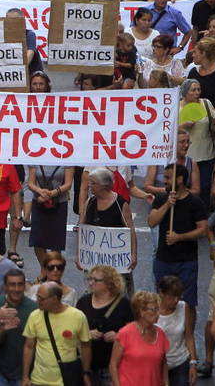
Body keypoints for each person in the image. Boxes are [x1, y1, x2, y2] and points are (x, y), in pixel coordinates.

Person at [148, 164, 207, 309]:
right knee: (162, 302)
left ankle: (188, 332)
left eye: (168, 177)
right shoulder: (161, 199)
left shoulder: (195, 202)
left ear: (179, 179)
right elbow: (151, 221)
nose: (164, 180)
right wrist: (167, 204)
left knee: (188, 303)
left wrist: (179, 237)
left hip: (186, 261)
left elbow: (203, 230)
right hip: (163, 260)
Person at [21, 282, 92, 386]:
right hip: (39, 380)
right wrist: (25, 377)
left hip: (67, 380)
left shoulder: (78, 316)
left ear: (54, 299)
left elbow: (86, 346)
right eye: (37, 297)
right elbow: (29, 347)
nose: (37, 301)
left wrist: (85, 373)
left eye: (42, 298)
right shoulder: (34, 316)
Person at [76, 264, 134, 384]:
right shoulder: (83, 302)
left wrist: (118, 336)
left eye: (95, 280)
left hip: (113, 366)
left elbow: (134, 335)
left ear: (109, 283)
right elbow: (74, 330)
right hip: (88, 365)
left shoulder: (124, 305)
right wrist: (87, 334)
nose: (90, 283)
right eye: (89, 279)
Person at [0, 268, 37, 386]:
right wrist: (1, 329)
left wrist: (26, 376)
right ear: (5, 286)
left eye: (20, 285)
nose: (16, 289)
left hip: (22, 373)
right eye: (12, 285)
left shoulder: (34, 309)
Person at [109, 291, 170, 386]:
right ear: (141, 311)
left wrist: (166, 384)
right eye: (154, 310)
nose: (158, 314)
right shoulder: (125, 333)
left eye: (158, 309)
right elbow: (113, 366)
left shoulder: (161, 333)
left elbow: (163, 363)